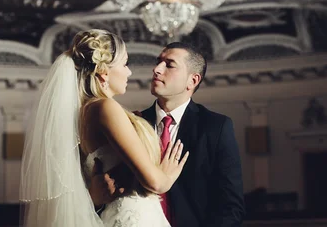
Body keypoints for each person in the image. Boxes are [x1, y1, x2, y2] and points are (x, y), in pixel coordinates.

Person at [19, 29, 189, 226]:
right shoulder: (104, 107)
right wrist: (167, 176)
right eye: (125, 64)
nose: (129, 71)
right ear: (104, 71)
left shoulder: (82, 113)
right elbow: (155, 182)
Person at [92, 42, 245, 226]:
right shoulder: (130, 124)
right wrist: (97, 199)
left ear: (193, 80)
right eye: (158, 62)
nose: (157, 69)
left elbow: (230, 206)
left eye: (169, 65)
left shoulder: (215, 127)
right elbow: (110, 192)